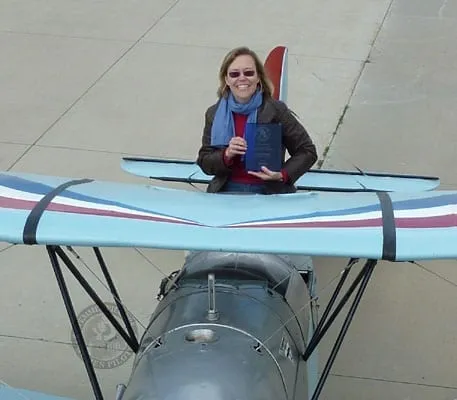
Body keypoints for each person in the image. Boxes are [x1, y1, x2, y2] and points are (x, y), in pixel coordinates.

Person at [196, 46, 318, 195]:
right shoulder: (213, 113)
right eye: (234, 74)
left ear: (258, 77)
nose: (242, 78)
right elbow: (205, 162)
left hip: (269, 192)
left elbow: (307, 151)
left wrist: (282, 175)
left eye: (249, 73)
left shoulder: (277, 110)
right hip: (226, 190)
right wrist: (226, 154)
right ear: (226, 79)